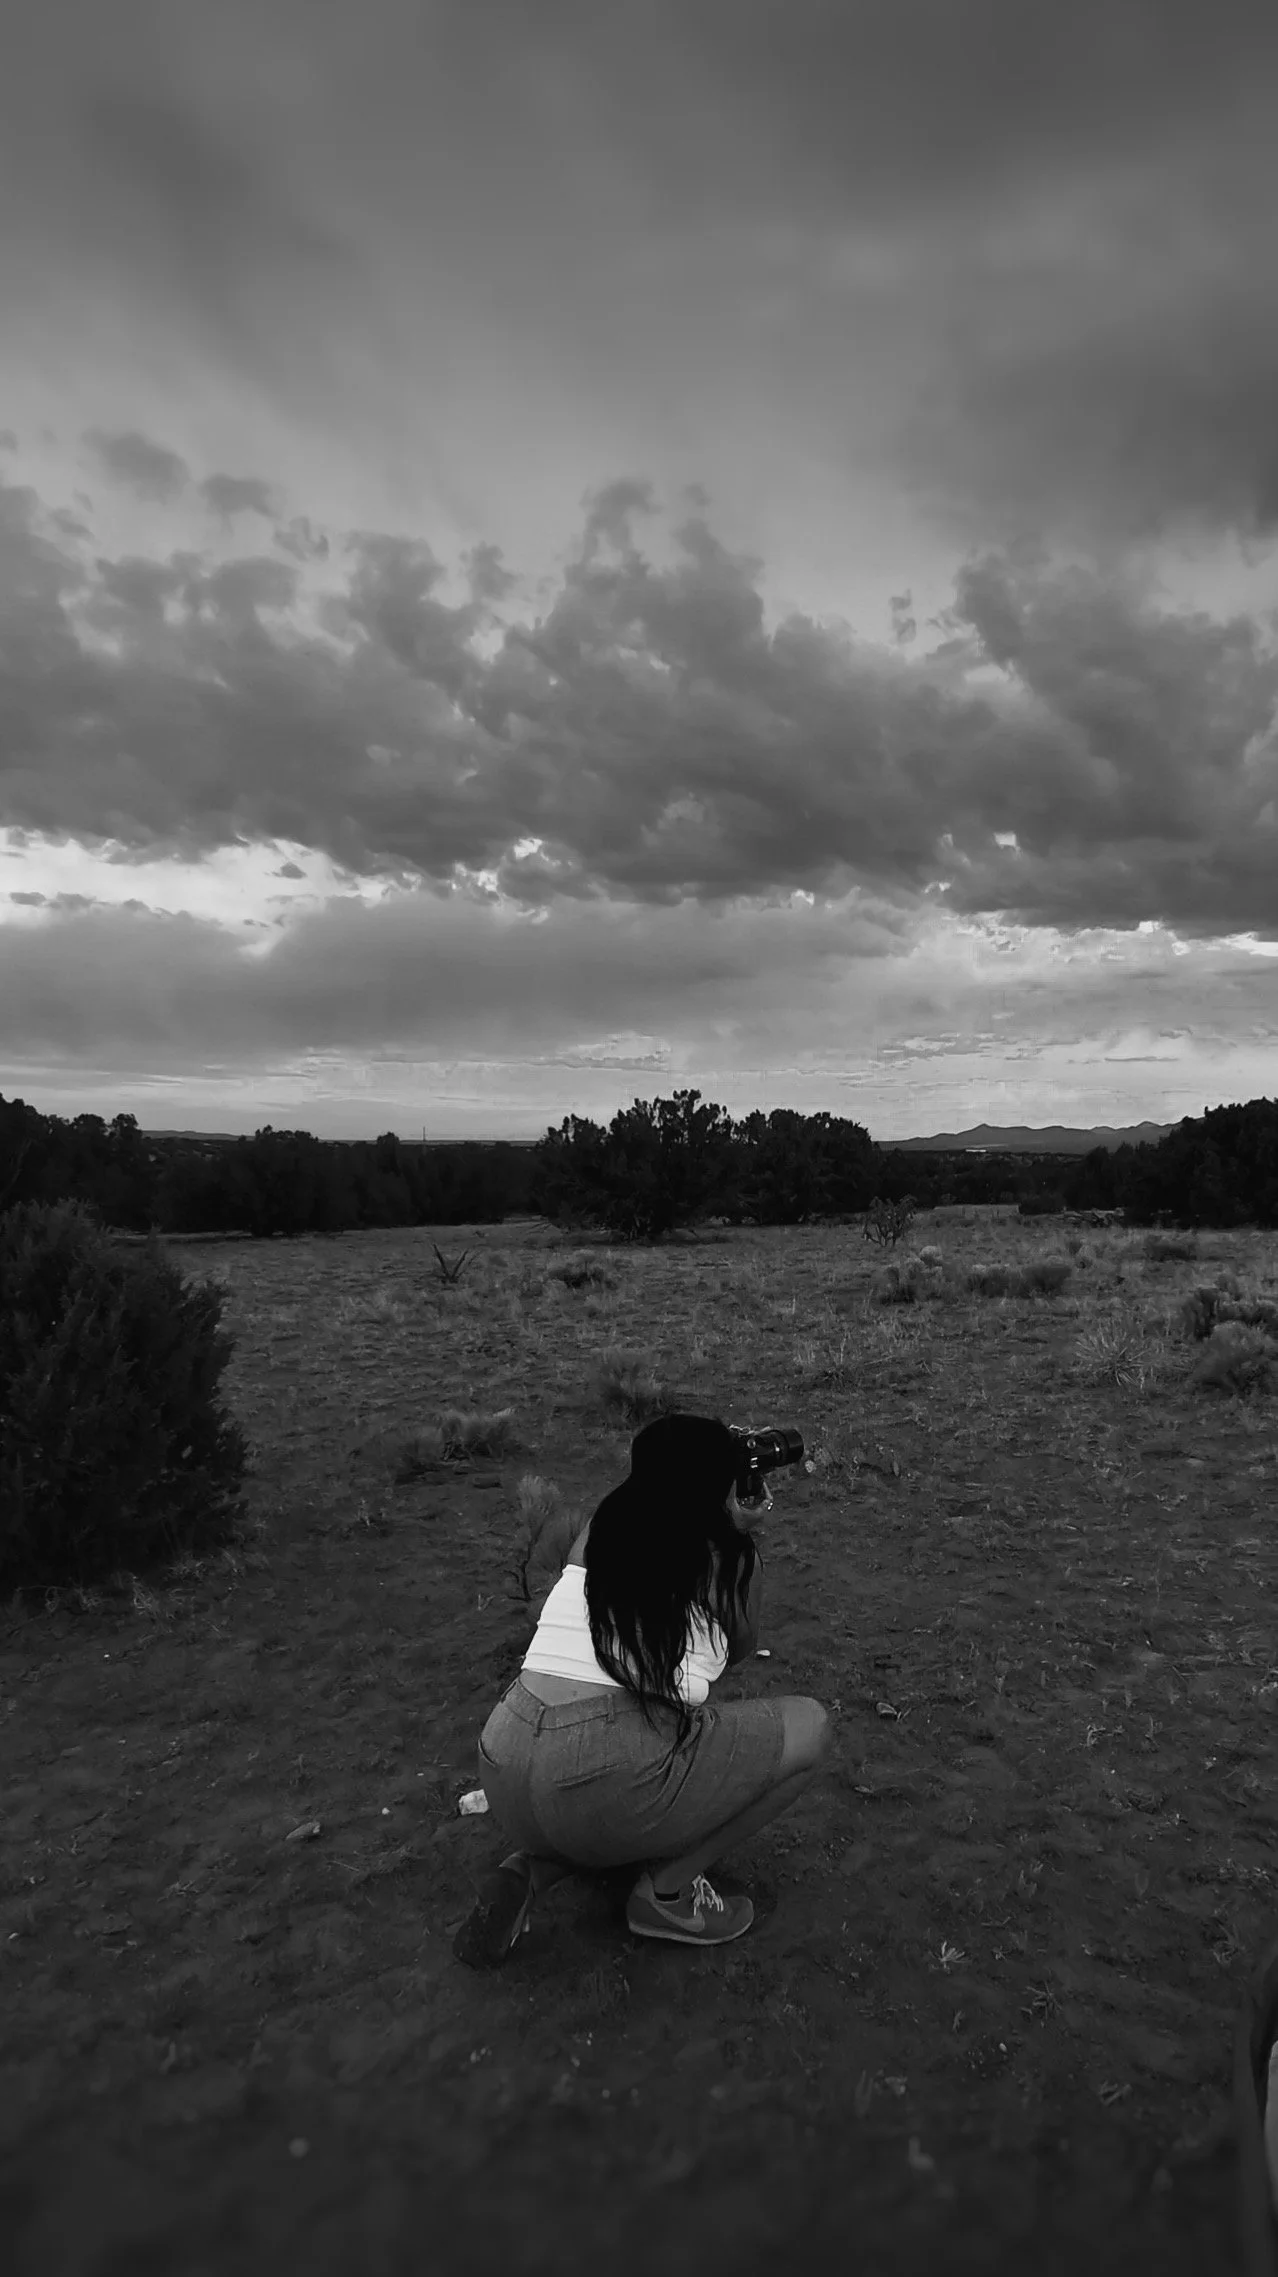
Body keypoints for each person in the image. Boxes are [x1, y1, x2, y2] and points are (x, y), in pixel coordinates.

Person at [453, 1412, 832, 1967]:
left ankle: (526, 1872)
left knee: (597, 1792)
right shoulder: (724, 1558)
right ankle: (668, 1893)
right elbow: (741, 1648)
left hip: (504, 1751)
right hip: (598, 1775)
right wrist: (742, 1534)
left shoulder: (601, 1527)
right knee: (811, 1729)